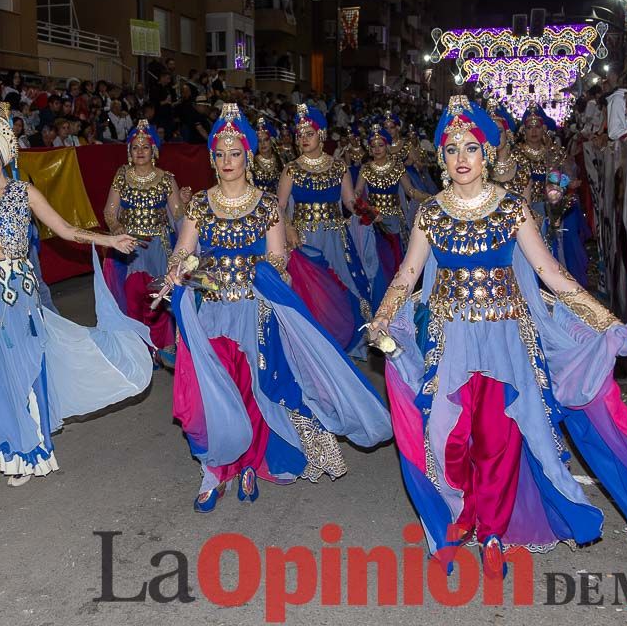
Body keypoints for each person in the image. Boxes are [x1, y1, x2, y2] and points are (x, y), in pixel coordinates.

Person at [369, 95, 627, 576]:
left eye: (471, 147)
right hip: (450, 343)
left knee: (498, 441)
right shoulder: (431, 214)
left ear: (486, 154)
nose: (462, 157)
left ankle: (495, 534)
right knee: (446, 438)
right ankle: (460, 518)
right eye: (452, 148)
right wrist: (382, 317)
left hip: (507, 344)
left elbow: (552, 274)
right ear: (441, 158)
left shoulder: (512, 210)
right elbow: (406, 276)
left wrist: (605, 320)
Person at [164, 103, 391, 512]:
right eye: (220, 154)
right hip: (211, 309)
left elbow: (277, 259)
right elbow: (182, 251)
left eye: (235, 153)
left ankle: (250, 461)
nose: (228, 161)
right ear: (213, 159)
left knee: (253, 386)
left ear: (247, 156)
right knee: (214, 387)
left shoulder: (266, 205)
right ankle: (215, 470)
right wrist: (178, 272)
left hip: (254, 308)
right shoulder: (200, 204)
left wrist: (250, 273)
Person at [0, 102, 152, 487]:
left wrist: (108, 238)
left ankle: (27, 449)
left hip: (15, 293)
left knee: (19, 371)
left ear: (4, 149)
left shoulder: (23, 192)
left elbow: (65, 230)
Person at [276, 104, 373, 356]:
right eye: (300, 134)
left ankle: (346, 342)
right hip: (305, 238)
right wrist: (289, 230)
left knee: (344, 285)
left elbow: (349, 201)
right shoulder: (291, 169)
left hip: (335, 237)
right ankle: (313, 347)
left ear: (321, 135)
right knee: (312, 291)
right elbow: (280, 207)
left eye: (308, 133)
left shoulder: (338, 167)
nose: (303, 139)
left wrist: (366, 210)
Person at [101, 120, 189, 362]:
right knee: (131, 296)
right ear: (129, 151)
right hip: (129, 248)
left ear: (155, 151)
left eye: (145, 147)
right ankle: (139, 348)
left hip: (158, 248)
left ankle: (162, 347)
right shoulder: (122, 176)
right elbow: (110, 211)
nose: (140, 151)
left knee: (157, 298)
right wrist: (118, 228)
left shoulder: (166, 179)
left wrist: (185, 202)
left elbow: (179, 216)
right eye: (135, 147)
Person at [354, 123, 430, 309]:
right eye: (373, 146)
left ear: (387, 146)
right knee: (377, 263)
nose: (377, 149)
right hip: (373, 222)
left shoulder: (397, 167)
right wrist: (368, 212)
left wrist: (431, 197)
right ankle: (379, 304)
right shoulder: (365, 169)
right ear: (369, 149)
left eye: (381, 145)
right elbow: (355, 195)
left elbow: (411, 191)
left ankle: (397, 305)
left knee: (397, 262)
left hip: (394, 221)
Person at [251, 118, 283, 193]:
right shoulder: (251, 163)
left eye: (266, 140)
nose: (263, 144)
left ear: (271, 141)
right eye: (259, 141)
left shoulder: (280, 160)